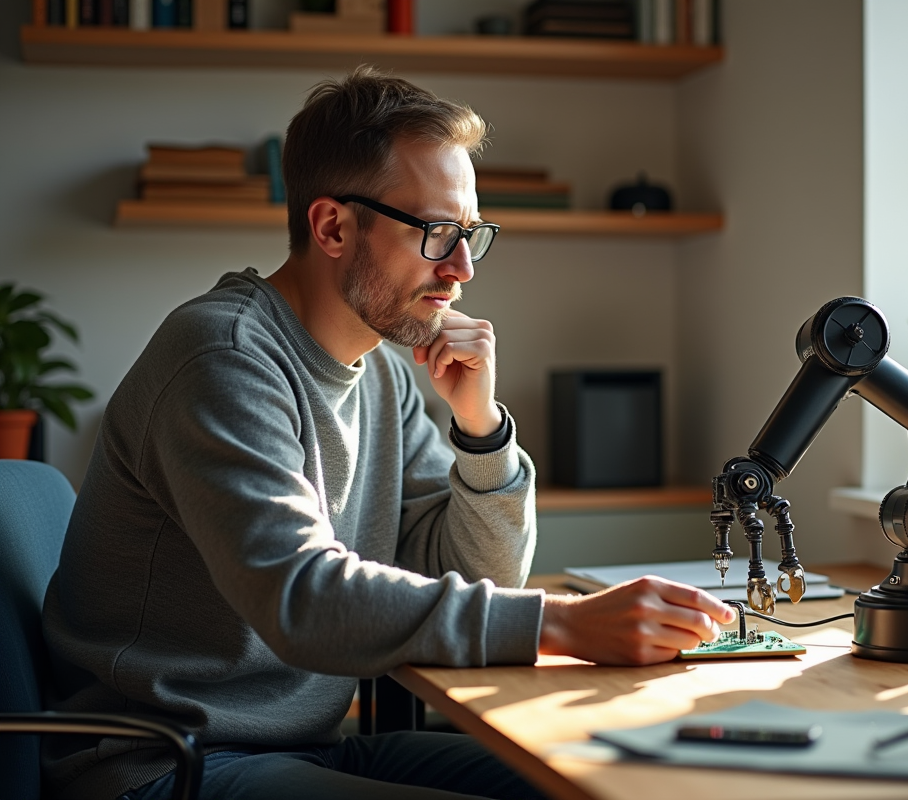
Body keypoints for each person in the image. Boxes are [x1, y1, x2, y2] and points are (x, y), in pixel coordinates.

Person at [41, 67, 735, 800]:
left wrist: (480, 429)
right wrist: (559, 625)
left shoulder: (381, 375)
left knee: (608, 782)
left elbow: (476, 577)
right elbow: (301, 597)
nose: (462, 269)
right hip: (164, 765)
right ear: (333, 227)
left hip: (303, 747)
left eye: (470, 235)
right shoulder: (223, 359)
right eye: (437, 234)